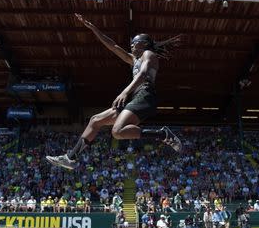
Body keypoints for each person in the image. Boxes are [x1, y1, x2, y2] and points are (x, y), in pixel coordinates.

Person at [46, 14, 182, 170]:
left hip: (145, 96)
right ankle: (71, 158)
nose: (131, 45)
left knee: (117, 132)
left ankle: (162, 135)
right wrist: (93, 28)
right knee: (95, 120)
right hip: (136, 97)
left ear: (144, 44)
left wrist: (124, 92)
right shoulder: (134, 59)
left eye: (134, 43)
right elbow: (113, 46)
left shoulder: (148, 54)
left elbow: (143, 75)